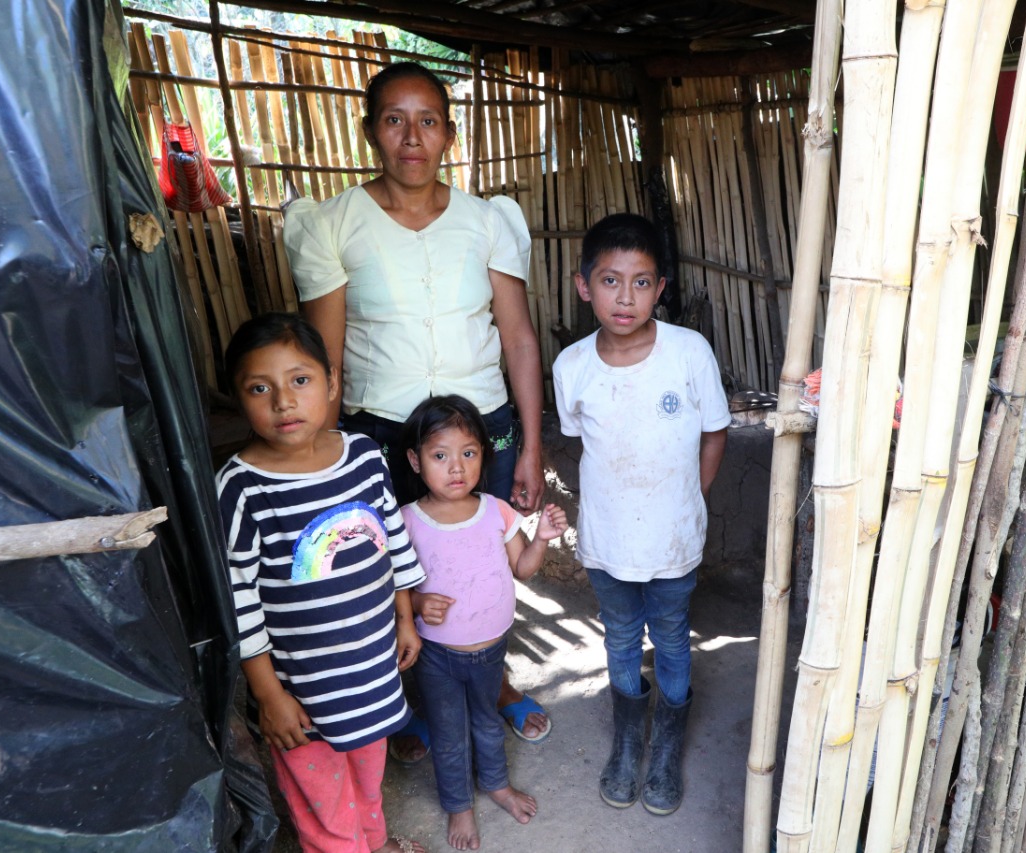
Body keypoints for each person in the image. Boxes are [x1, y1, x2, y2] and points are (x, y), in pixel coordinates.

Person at [282, 60, 551, 751]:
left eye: (427, 120)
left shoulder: (486, 221)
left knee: (484, 559)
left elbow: (519, 338)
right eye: (394, 120)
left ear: (448, 133)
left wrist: (529, 443)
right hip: (380, 434)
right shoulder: (335, 224)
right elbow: (326, 360)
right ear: (369, 130)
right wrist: (324, 460)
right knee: (395, 572)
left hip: (482, 426)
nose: (411, 137)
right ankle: (404, 698)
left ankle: (493, 681)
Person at [215, 313, 427, 853]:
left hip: (372, 672)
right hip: (301, 696)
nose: (284, 401)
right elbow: (239, 603)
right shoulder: (240, 489)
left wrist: (405, 619)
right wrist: (269, 695)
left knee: (368, 782)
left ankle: (373, 843)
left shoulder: (361, 456)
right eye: (260, 388)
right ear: (238, 400)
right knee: (325, 813)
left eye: (300, 380)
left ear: (332, 381)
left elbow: (393, 541)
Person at [551, 213, 730, 815]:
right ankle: (629, 742)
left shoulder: (688, 352)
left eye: (642, 282)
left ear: (660, 288)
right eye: (609, 281)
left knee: (673, 637)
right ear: (584, 287)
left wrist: (689, 499)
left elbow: (713, 434)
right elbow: (586, 443)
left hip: (675, 539)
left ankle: (666, 746)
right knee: (621, 638)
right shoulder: (572, 367)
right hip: (607, 542)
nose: (625, 297)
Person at [399, 394, 568, 850]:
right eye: (440, 456)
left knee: (488, 724)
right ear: (415, 461)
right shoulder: (407, 522)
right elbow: (389, 588)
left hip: (492, 652)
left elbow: (523, 568)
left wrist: (543, 539)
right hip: (437, 656)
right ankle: (458, 806)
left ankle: (496, 785)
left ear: (483, 458)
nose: (456, 468)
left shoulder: (496, 510)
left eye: (468, 454)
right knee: (450, 733)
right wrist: (415, 603)